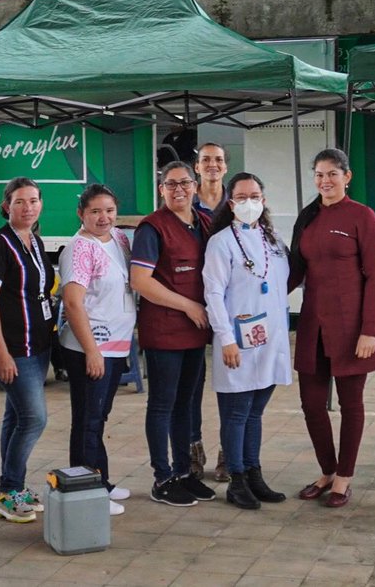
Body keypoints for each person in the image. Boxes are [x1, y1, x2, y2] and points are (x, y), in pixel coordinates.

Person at [290, 148, 375, 508]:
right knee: (312, 403)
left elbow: (374, 276)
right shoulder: (309, 217)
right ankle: (327, 470)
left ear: (347, 177)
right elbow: (294, 271)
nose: (325, 181)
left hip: (351, 326)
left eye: (332, 173)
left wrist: (369, 329)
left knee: (351, 404)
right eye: (319, 174)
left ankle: (344, 476)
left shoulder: (362, 217)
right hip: (312, 324)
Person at [204, 172, 292, 510]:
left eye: (255, 196)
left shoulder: (272, 240)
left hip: (269, 340)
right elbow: (212, 292)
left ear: (264, 200)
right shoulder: (222, 242)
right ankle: (237, 479)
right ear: (231, 203)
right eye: (241, 197)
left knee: (255, 412)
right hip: (236, 341)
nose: (249, 203)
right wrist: (225, 339)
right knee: (237, 413)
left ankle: (254, 473)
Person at [130, 161, 217, 507]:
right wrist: (188, 306)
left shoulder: (205, 223)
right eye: (170, 184)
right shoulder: (152, 229)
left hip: (196, 332)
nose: (178, 190)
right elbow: (141, 282)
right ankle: (162, 477)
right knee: (163, 404)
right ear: (161, 189)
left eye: (184, 183)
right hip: (166, 330)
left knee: (187, 404)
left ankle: (184, 472)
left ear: (195, 186)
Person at [0, 177, 54, 523]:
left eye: (34, 200)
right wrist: (2, 353)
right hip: (15, 348)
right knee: (34, 419)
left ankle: (10, 489)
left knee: (17, 416)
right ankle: (9, 489)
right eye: (20, 201)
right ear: (6, 205)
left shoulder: (34, 241)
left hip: (39, 345)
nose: (28, 207)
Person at [57, 184, 137, 517]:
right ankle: (87, 489)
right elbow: (73, 303)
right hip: (91, 347)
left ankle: (100, 478)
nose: (103, 217)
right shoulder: (79, 248)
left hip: (117, 345)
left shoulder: (117, 239)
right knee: (88, 418)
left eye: (109, 210)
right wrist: (91, 351)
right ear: (81, 214)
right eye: (95, 211)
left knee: (99, 416)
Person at [191, 142, 229, 481]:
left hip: (230, 306)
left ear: (225, 167)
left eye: (218, 160)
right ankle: (193, 450)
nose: (212, 165)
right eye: (206, 160)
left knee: (231, 382)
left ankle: (227, 453)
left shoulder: (239, 203)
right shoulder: (184, 203)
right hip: (193, 306)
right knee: (192, 383)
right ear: (197, 167)